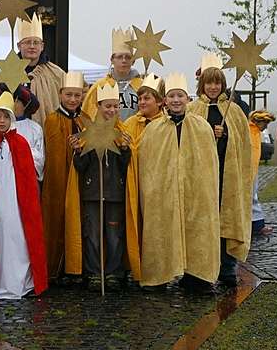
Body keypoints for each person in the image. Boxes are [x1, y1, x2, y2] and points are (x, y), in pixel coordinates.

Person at [139, 73, 221, 291]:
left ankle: (198, 275)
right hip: (162, 192)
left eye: (180, 96)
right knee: (161, 227)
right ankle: (160, 274)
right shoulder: (153, 129)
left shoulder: (202, 127)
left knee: (197, 228)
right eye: (172, 96)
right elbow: (148, 167)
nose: (176, 100)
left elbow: (209, 165)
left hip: (195, 192)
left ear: (188, 99)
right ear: (164, 100)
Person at [0, 91, 48, 299]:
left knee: (18, 238)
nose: (2, 121)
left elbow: (29, 179)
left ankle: (20, 282)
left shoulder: (22, 144)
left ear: (12, 119)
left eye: (6, 117)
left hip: (17, 203)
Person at [187, 66, 252, 287]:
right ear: (202, 85)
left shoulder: (232, 111)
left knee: (227, 219)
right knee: (202, 221)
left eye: (217, 83)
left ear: (223, 85)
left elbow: (243, 145)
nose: (213, 87)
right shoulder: (192, 109)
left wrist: (226, 136)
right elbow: (187, 141)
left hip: (227, 175)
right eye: (209, 83)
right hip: (202, 177)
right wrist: (207, 132)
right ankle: (198, 269)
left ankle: (226, 268)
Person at [66, 81, 131, 291]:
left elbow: (126, 167)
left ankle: (113, 272)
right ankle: (94, 272)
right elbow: (81, 166)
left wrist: (126, 150)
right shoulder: (87, 131)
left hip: (114, 193)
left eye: (115, 106)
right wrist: (77, 151)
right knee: (92, 235)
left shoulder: (122, 132)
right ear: (99, 106)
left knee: (114, 235)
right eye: (107, 106)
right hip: (92, 192)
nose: (111, 110)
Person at [41, 71, 86, 282]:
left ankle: (77, 267)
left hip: (81, 179)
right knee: (57, 219)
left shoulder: (85, 120)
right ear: (60, 94)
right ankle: (55, 268)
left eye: (77, 95)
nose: (73, 100)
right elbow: (54, 153)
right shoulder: (52, 119)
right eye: (69, 95)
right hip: (58, 180)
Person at [123, 73, 165, 282]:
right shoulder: (131, 122)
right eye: (140, 99)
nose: (141, 102)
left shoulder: (165, 124)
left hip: (157, 186)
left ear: (159, 101)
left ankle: (157, 271)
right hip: (135, 182)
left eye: (147, 98)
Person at [82, 27, 142, 121]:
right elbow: (88, 114)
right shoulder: (100, 86)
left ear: (133, 61)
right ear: (112, 60)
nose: (124, 60)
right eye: (119, 57)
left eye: (128, 57)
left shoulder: (141, 85)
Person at [17, 13, 65, 126]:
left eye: (36, 43)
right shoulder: (8, 71)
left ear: (42, 46)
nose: (32, 46)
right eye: (28, 42)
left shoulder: (55, 73)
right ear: (19, 46)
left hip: (45, 129)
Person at [249, 110, 276, 236]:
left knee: (252, 195)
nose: (265, 126)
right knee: (251, 196)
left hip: (252, 168)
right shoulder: (250, 131)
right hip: (248, 169)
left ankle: (256, 223)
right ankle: (256, 224)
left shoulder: (255, 132)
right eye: (265, 123)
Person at [9, 84, 44, 180]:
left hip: (27, 177)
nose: (12, 104)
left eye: (17, 101)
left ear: (25, 105)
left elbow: (40, 158)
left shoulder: (35, 128)